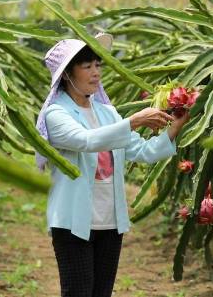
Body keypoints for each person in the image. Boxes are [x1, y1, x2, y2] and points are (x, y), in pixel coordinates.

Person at [34, 37, 189, 297]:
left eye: (98, 64)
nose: (95, 72)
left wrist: (173, 128)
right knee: (77, 291)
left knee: (101, 293)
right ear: (66, 74)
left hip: (110, 221)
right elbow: (86, 140)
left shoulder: (107, 112)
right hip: (73, 222)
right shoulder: (56, 114)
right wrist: (134, 121)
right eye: (86, 66)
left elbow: (141, 150)